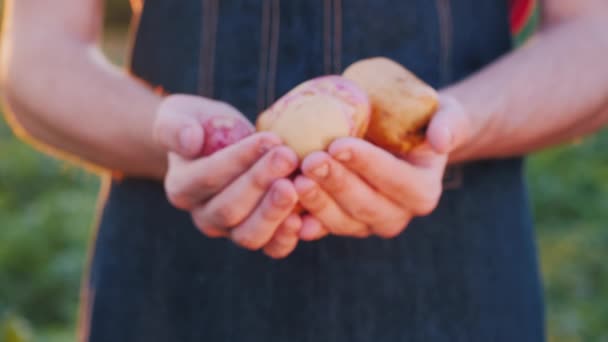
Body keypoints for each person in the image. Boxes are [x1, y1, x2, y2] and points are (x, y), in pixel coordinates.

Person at [2, 0, 608, 340]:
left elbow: (594, 36)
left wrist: (455, 125)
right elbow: (37, 53)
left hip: (458, 282)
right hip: (173, 278)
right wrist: (170, 137)